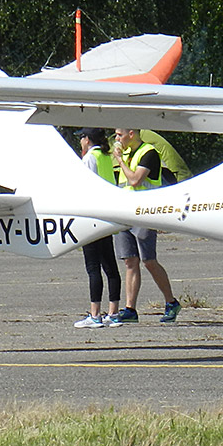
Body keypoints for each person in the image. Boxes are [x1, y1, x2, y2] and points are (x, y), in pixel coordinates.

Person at [111, 127, 183, 322]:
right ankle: (130, 309)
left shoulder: (149, 153)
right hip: (125, 213)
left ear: (131, 134)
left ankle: (171, 302)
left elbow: (135, 180)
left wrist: (120, 161)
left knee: (148, 260)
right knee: (129, 261)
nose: (117, 138)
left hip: (144, 213)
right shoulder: (127, 153)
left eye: (119, 134)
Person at [73, 129, 123, 328]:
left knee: (93, 268)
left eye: (81, 138)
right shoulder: (105, 156)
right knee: (110, 267)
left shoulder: (89, 159)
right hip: (107, 216)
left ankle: (95, 315)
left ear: (87, 140)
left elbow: (83, 188)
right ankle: (113, 313)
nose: (80, 141)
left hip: (92, 217)